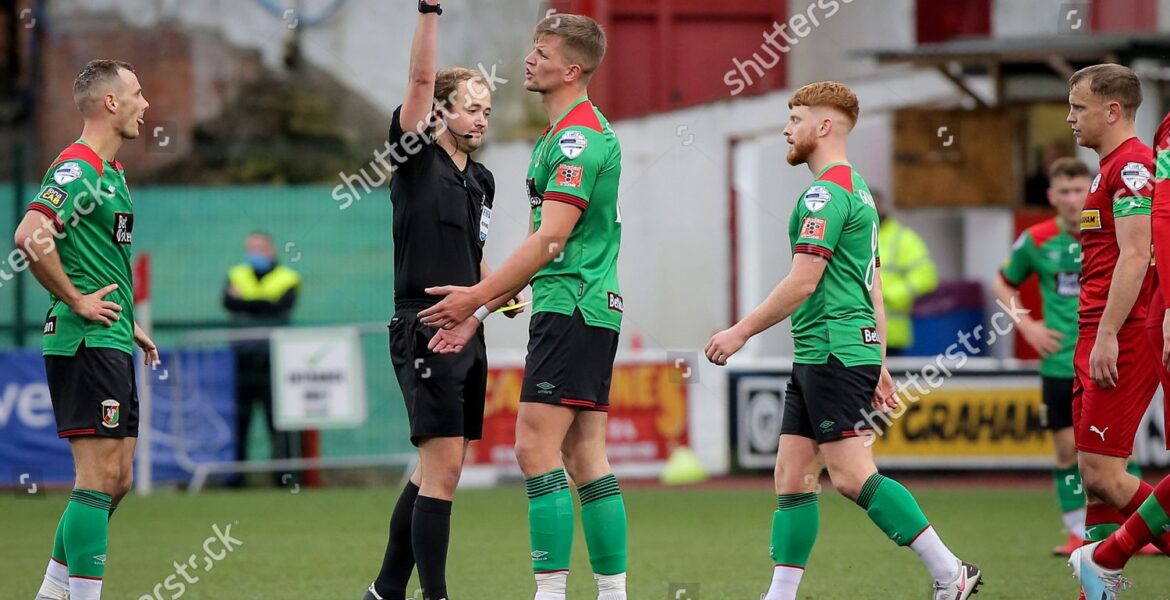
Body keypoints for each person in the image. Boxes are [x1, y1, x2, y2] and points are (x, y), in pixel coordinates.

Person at [703, 81, 982, 600]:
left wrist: (740, 331)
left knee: (852, 476)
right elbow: (871, 284)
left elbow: (803, 282)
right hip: (828, 351)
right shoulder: (857, 190)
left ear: (824, 125)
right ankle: (780, 596)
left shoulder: (825, 194)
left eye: (795, 118)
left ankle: (950, 571)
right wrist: (878, 359)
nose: (787, 129)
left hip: (833, 349)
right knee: (793, 476)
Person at [419, 13, 627, 600]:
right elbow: (545, 241)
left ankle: (551, 593)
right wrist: (482, 312)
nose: (529, 60)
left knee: (535, 449)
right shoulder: (561, 135)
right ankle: (613, 593)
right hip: (587, 305)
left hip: (571, 305)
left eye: (542, 52)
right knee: (585, 455)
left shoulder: (577, 139)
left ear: (572, 69)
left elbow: (551, 241)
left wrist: (474, 298)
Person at [361, 2, 520, 599]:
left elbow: (474, 254)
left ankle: (385, 590)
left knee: (434, 468)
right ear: (439, 113)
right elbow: (421, 78)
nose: (481, 117)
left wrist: (497, 293)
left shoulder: (482, 180)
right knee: (445, 471)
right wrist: (430, 11)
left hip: (468, 327)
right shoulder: (414, 157)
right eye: (471, 107)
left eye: (487, 109)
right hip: (424, 325)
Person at [14, 59, 157, 600]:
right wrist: (76, 300)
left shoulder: (111, 172)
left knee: (117, 481)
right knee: (97, 481)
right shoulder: (77, 169)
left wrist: (129, 320)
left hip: (111, 337)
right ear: (111, 102)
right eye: (137, 93)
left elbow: (93, 256)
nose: (146, 104)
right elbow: (30, 235)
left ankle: (51, 593)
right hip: (83, 341)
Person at [1060, 63, 1170, 576]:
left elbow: (1136, 254)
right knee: (1095, 478)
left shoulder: (1132, 167)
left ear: (1112, 110)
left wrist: (1106, 333)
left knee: (1104, 474)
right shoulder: (1109, 168)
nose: (1070, 118)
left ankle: (1105, 565)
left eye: (1078, 107)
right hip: (1097, 332)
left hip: (1122, 332)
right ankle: (1097, 586)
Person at [222, 230, 301, 486]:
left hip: (275, 360)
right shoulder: (236, 273)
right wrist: (264, 304)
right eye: (250, 249)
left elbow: (281, 306)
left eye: (258, 249)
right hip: (243, 357)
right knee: (241, 418)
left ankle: (283, 477)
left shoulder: (288, 277)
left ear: (271, 250)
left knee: (278, 419)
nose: (253, 254)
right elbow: (229, 303)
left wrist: (246, 302)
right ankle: (237, 478)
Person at [875, 190, 937, 355]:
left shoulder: (904, 238)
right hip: (856, 335)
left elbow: (926, 277)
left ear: (881, 208)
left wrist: (889, 294)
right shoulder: (854, 236)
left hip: (892, 334)